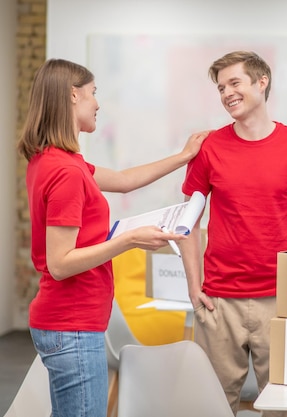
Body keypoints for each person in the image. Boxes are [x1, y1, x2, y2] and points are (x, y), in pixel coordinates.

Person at [17, 58, 208, 417]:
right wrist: (129, 240)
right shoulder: (66, 171)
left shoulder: (54, 160)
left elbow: (123, 180)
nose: (98, 103)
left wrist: (184, 157)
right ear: (73, 96)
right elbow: (60, 264)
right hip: (71, 323)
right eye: (93, 93)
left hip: (66, 321)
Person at [179, 51, 287, 417]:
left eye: (235, 83)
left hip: (281, 301)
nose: (227, 93)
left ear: (261, 82)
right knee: (212, 406)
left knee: (283, 406)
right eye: (221, 88)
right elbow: (188, 222)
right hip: (219, 301)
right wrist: (193, 283)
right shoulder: (210, 148)